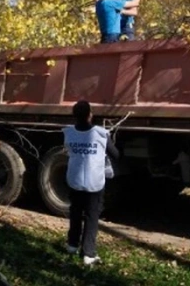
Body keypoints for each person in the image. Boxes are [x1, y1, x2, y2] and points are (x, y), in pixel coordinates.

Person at [63, 100, 121, 265]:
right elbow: (115, 154)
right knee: (91, 216)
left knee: (75, 213)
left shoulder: (68, 133)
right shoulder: (101, 134)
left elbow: (69, 150)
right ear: (90, 114)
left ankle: (72, 245)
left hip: (74, 180)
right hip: (94, 182)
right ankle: (88, 253)